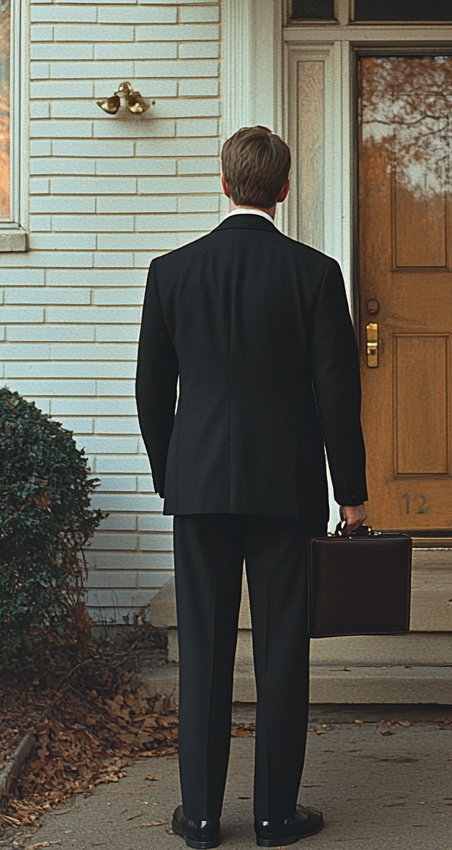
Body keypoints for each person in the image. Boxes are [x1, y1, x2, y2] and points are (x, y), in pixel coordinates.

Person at [136, 126, 368, 849]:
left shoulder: (172, 271)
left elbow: (150, 391)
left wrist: (171, 472)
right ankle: (274, 817)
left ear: (224, 183)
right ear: (284, 190)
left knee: (203, 654)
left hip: (198, 488)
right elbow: (337, 394)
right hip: (285, 490)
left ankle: (201, 819)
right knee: (282, 655)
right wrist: (350, 492)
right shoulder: (315, 273)